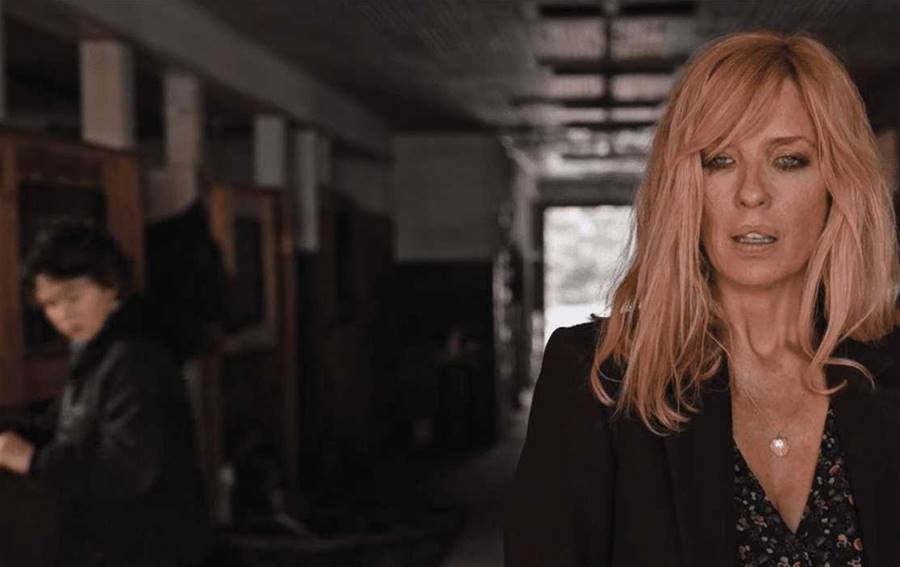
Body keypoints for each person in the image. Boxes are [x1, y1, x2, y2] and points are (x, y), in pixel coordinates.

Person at [505, 30, 900, 567]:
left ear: (837, 183)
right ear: (685, 186)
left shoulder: (887, 374)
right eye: (720, 160)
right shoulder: (596, 380)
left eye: (788, 160)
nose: (752, 193)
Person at [0, 221, 211, 566]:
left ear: (111, 284)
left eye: (74, 296)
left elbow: (127, 470)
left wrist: (34, 461)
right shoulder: (96, 350)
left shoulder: (136, 357)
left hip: (150, 549)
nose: (63, 315)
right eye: (50, 304)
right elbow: (61, 426)